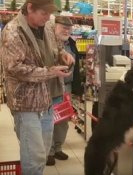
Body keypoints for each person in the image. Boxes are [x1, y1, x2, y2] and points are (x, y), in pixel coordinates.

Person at [0, 0, 74, 174]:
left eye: (49, 14)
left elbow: (57, 48)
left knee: (41, 154)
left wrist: (63, 56)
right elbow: (16, 69)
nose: (48, 18)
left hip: (46, 101)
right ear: (30, 7)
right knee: (33, 157)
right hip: (25, 105)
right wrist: (51, 72)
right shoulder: (13, 32)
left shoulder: (47, 26)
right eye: (44, 13)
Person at [47, 15, 81, 166]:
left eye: (69, 28)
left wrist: (76, 88)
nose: (67, 30)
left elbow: (77, 67)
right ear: (54, 27)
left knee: (63, 120)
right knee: (49, 120)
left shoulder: (72, 44)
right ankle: (49, 151)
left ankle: (58, 147)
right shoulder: (47, 42)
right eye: (63, 27)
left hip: (66, 86)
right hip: (50, 87)